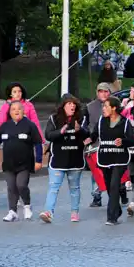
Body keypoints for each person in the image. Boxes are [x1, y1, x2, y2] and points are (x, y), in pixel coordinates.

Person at [0, 101, 43, 222]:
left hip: (25, 163)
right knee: (11, 187)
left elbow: (38, 143)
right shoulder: (5, 126)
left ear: (23, 111)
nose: (16, 111)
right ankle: (12, 211)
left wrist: (39, 160)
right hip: (9, 164)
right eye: (13, 109)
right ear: (10, 112)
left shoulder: (30, 125)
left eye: (19, 109)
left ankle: (27, 206)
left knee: (21, 185)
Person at [40, 95, 88, 223]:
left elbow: (88, 134)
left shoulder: (81, 118)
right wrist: (60, 132)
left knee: (74, 188)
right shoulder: (54, 119)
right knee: (53, 187)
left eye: (74, 104)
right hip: (58, 161)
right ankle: (48, 212)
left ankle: (74, 212)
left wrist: (80, 130)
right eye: (69, 104)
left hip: (75, 160)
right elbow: (48, 135)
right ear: (63, 106)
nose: (72, 106)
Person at [91, 96, 134, 225]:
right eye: (103, 106)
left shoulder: (125, 122)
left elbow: (132, 141)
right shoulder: (101, 121)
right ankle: (116, 209)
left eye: (106, 106)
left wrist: (123, 141)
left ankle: (112, 217)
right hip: (105, 158)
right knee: (109, 187)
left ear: (114, 108)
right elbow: (93, 136)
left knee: (114, 185)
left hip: (119, 159)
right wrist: (84, 136)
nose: (103, 109)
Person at [85, 82, 113, 208]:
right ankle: (97, 195)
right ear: (97, 93)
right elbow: (84, 125)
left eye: (106, 91)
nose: (103, 94)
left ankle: (117, 192)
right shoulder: (89, 107)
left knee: (113, 169)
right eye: (101, 91)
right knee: (95, 171)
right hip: (95, 143)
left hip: (111, 143)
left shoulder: (115, 105)